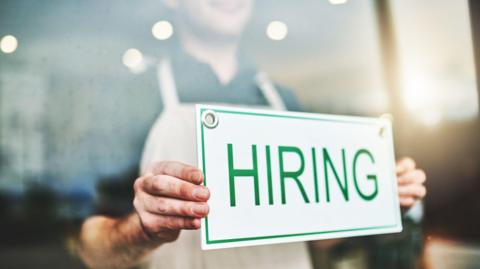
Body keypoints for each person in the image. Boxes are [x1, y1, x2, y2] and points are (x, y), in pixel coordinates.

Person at [76, 0, 427, 268]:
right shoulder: (134, 98)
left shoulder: (282, 99)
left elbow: (317, 238)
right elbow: (93, 249)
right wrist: (143, 227)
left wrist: (373, 201)